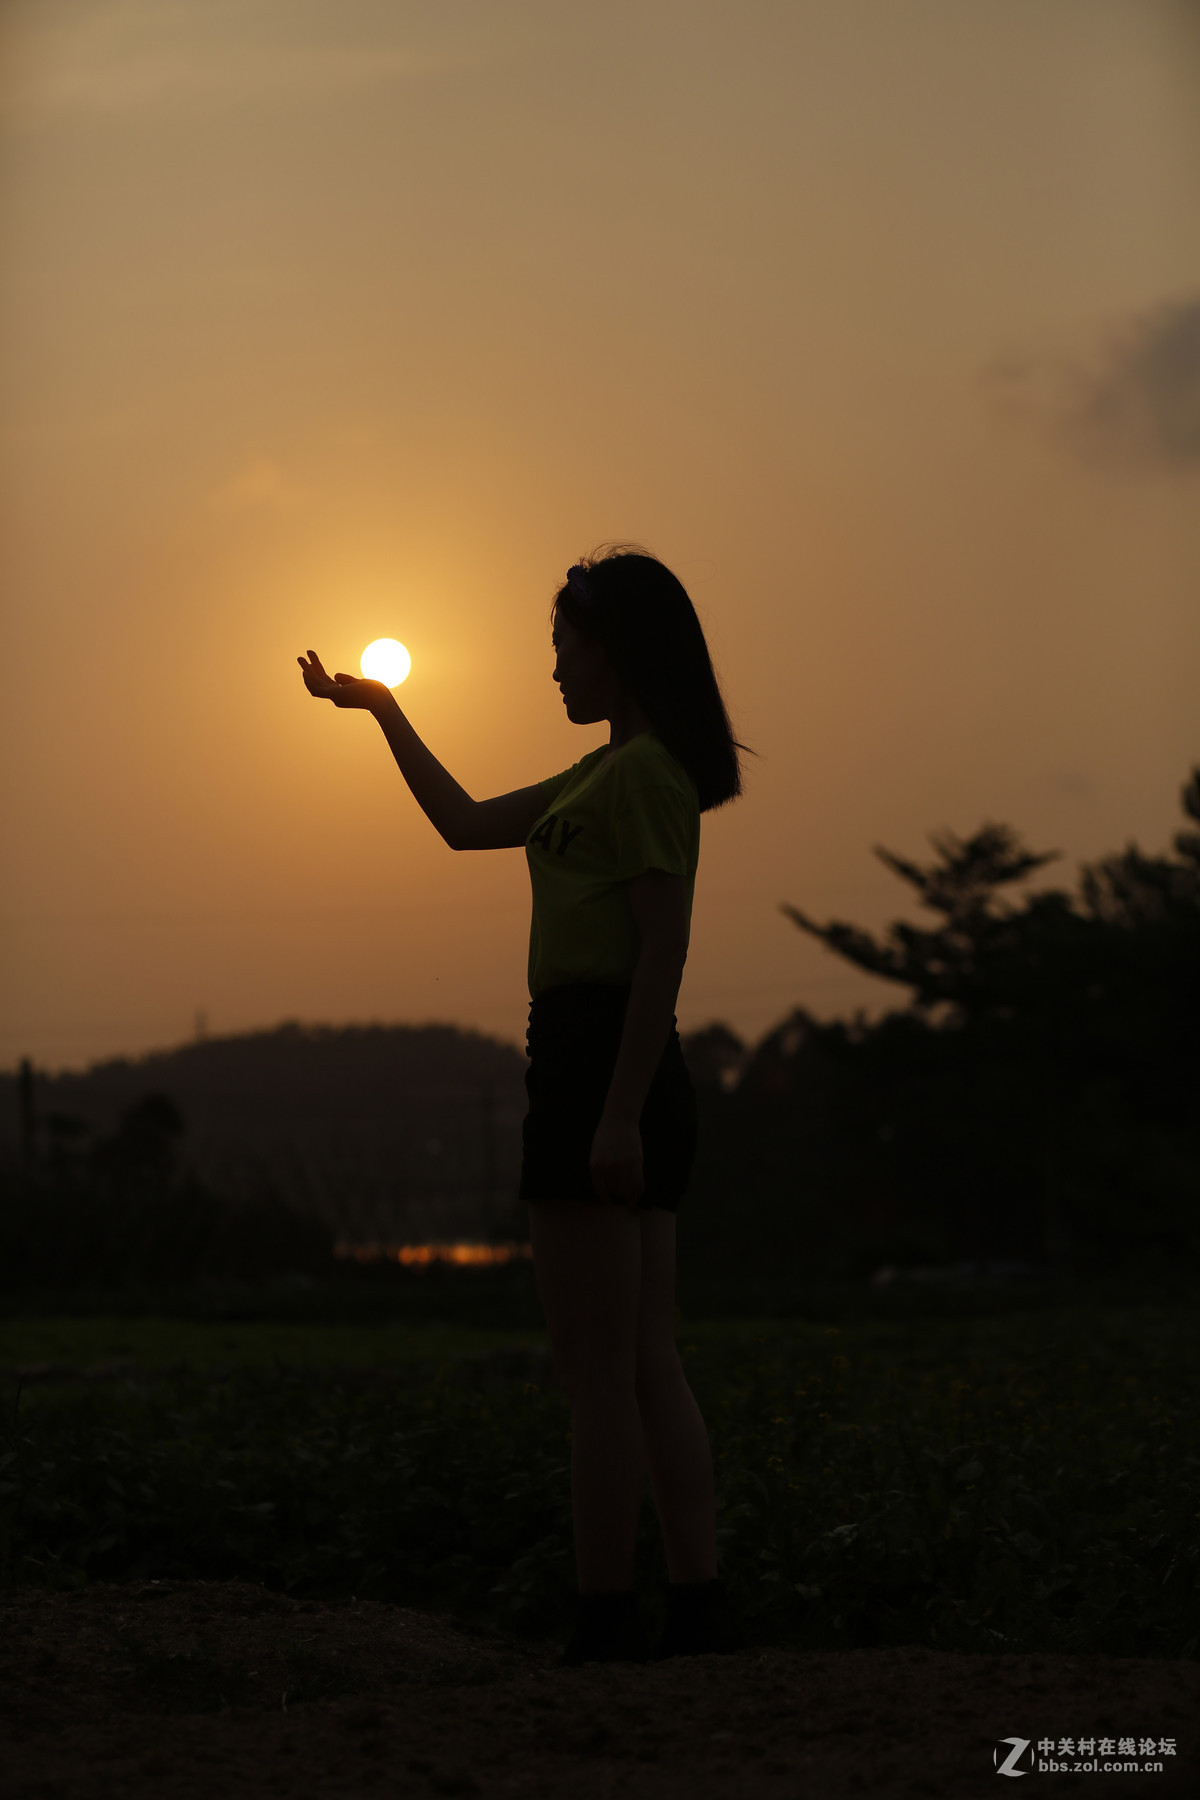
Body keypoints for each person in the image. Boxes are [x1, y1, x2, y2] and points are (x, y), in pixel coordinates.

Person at [299, 546, 752, 1664]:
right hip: (607, 1066)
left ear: (614, 651)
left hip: (606, 1063)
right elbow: (460, 823)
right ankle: (693, 1607)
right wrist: (383, 709)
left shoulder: (644, 777)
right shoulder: (603, 775)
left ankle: (606, 1620)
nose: (553, 670)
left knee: (600, 1373)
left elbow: (663, 950)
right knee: (640, 1360)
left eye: (564, 647)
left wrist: (616, 1114)